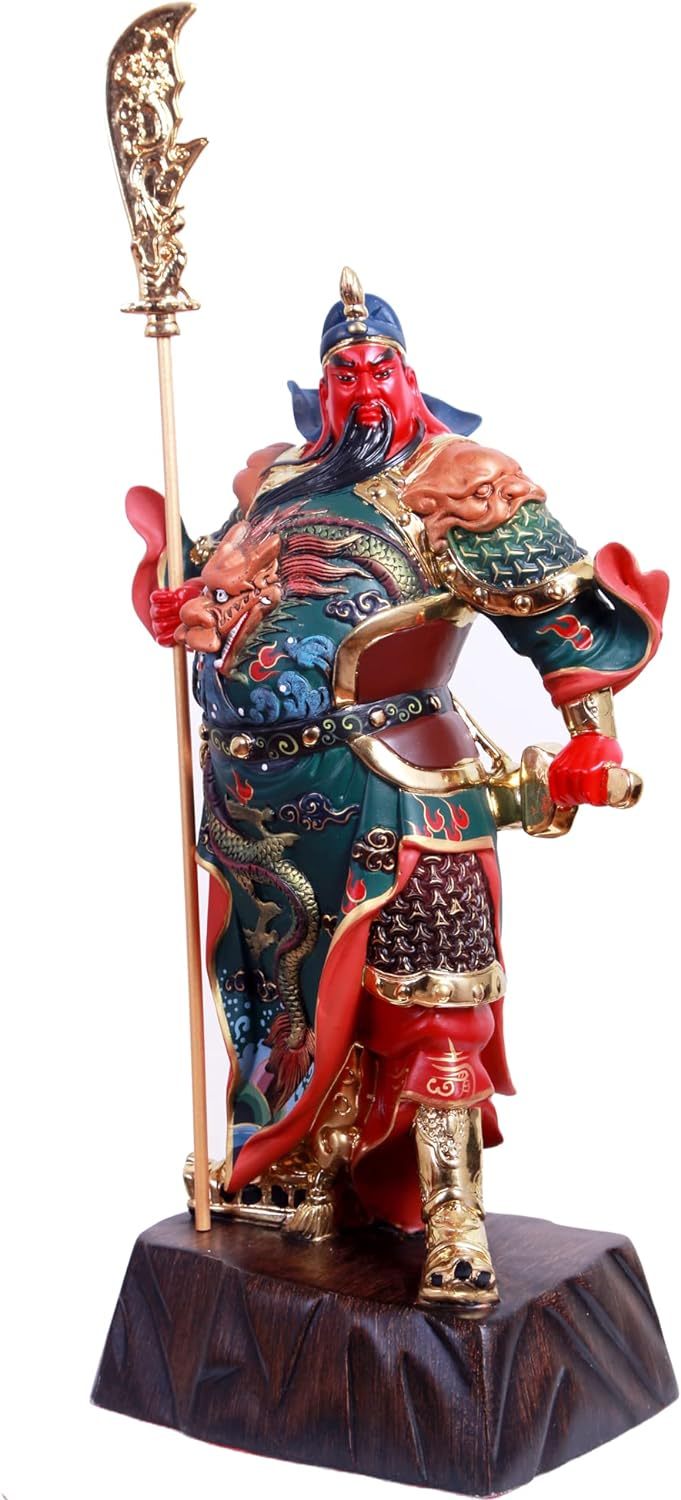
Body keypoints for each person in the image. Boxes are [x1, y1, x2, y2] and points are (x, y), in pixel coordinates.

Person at [127, 268, 667, 1307]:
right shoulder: (274, 478)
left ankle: (454, 1215)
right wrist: (176, 601)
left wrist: (590, 744)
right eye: (344, 369)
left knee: (436, 990)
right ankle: (302, 1166)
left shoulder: (461, 478)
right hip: (256, 800)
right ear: (322, 384)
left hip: (400, 780)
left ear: (410, 376)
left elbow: (559, 625)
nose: (363, 385)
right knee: (281, 997)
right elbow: (212, 590)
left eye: (380, 367)